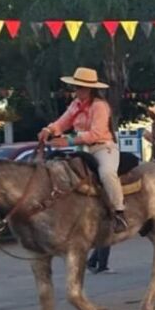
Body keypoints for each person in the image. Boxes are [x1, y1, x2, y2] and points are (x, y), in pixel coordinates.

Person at [39, 67, 127, 233]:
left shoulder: (100, 106)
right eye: (76, 87)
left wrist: (68, 141)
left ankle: (119, 212)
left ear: (90, 89)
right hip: (82, 149)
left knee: (107, 173)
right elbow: (62, 122)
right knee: (58, 168)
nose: (77, 90)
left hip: (102, 147)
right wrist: (49, 130)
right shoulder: (75, 104)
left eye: (81, 87)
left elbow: (96, 133)